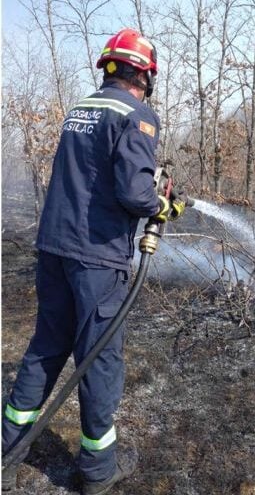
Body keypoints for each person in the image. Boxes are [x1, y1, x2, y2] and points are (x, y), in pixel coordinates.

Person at [1, 28, 184, 495]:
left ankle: (7, 451)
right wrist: (163, 205)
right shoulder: (139, 115)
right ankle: (99, 470)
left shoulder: (81, 109)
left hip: (54, 249)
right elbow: (133, 193)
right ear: (145, 74)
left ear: (108, 67)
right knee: (99, 361)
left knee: (46, 346)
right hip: (96, 258)